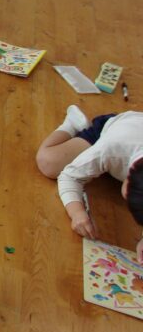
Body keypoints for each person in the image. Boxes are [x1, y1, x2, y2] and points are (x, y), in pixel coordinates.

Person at [36, 105, 143, 261]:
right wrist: (77, 213)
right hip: (111, 128)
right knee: (48, 162)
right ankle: (73, 123)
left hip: (127, 147)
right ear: (130, 173)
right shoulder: (112, 147)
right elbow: (69, 176)